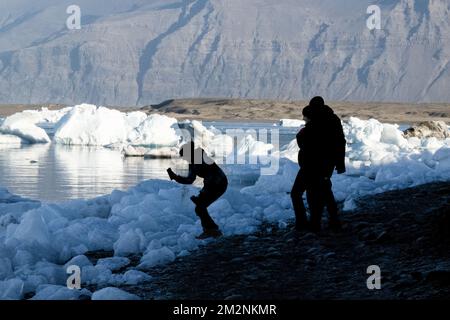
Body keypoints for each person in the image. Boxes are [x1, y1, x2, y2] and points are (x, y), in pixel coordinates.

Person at [291, 96, 346, 232]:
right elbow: (340, 143)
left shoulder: (315, 124)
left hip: (311, 166)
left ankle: (307, 224)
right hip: (326, 166)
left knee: (300, 193)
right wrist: (339, 165)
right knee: (325, 192)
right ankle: (332, 222)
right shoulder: (332, 120)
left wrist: (301, 133)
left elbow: (304, 143)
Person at [167, 141, 228, 239]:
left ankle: (212, 230)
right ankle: (211, 230)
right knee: (199, 207)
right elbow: (190, 180)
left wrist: (204, 193)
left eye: (185, 156)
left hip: (219, 182)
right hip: (211, 185)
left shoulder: (200, 155)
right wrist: (175, 177)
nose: (185, 159)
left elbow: (211, 173)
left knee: (200, 206)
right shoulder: (192, 163)